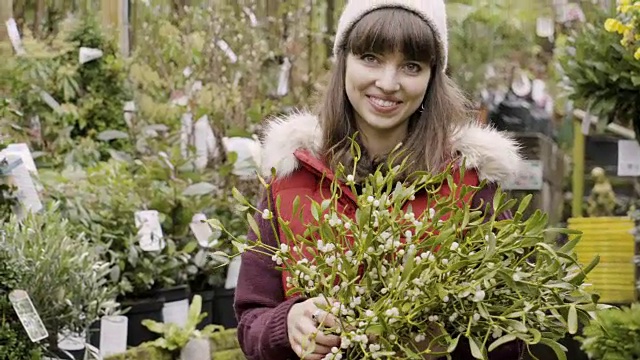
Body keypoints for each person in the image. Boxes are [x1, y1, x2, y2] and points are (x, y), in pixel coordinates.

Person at [234, 1, 524, 359]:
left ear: (433, 77)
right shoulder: (289, 176)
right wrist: (288, 323)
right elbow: (251, 322)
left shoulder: (471, 186)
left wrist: (443, 339)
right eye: (370, 58)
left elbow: (511, 329)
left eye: (411, 66)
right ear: (343, 61)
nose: (388, 83)